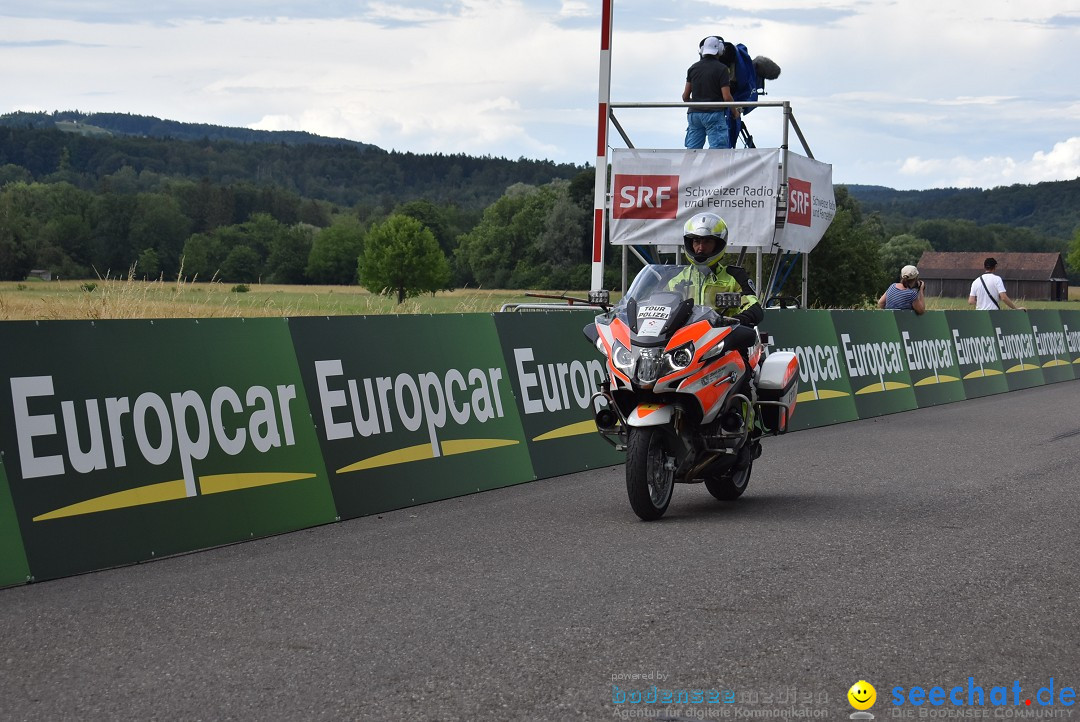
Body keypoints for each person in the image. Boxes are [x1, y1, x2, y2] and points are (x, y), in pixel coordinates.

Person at [672, 212, 763, 326]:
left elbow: (753, 306)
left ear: (718, 244)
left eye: (707, 241)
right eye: (696, 241)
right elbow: (657, 306)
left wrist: (737, 320)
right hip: (681, 337)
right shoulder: (675, 279)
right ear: (689, 244)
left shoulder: (734, 277)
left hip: (722, 337)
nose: (701, 248)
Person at [682, 36, 741, 150]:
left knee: (692, 150)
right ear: (719, 50)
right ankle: (713, 169)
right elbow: (727, 97)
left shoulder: (692, 68)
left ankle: (686, 168)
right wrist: (735, 112)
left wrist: (698, 103)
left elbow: (685, 97)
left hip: (694, 114)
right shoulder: (722, 69)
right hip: (714, 114)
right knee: (717, 150)